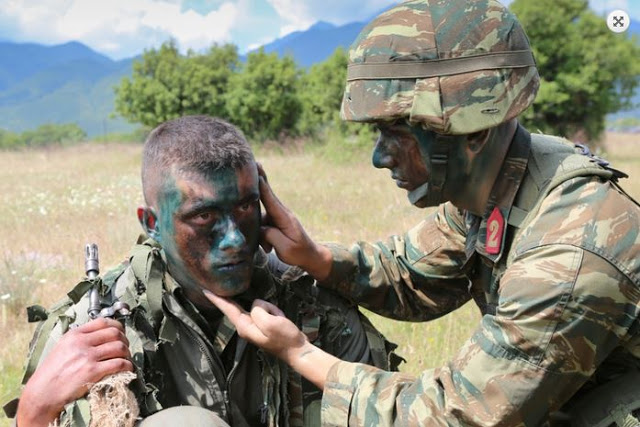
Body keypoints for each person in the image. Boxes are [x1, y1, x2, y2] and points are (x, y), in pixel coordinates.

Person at [205, 1, 640, 426]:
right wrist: (314, 257)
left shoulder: (569, 251)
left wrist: (299, 352)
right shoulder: (504, 180)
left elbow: (457, 414)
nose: (380, 157)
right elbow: (411, 274)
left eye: (397, 133)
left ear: (474, 131)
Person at [4, 115, 398, 427]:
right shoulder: (96, 330)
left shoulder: (314, 305)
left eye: (245, 207)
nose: (234, 240)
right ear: (152, 223)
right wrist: (34, 414)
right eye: (204, 215)